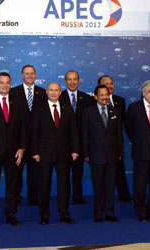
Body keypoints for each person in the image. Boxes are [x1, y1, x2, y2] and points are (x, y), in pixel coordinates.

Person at [0, 72, 27, 227]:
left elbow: (23, 128)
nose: (5, 85)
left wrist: (22, 148)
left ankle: (11, 214)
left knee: (12, 185)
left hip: (14, 152)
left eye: (8, 82)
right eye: (2, 82)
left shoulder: (18, 103)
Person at [31, 82, 79, 225]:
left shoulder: (67, 108)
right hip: (44, 154)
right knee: (44, 185)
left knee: (64, 186)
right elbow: (34, 132)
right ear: (46, 92)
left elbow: (73, 131)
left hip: (64, 154)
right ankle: (44, 216)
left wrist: (75, 149)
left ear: (60, 92)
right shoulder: (39, 108)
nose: (53, 93)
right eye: (50, 90)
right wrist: (35, 152)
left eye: (56, 90)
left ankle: (64, 214)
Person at [125, 80, 150, 222]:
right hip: (141, 153)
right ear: (143, 93)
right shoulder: (134, 108)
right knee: (139, 185)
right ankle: (141, 213)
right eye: (149, 92)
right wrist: (139, 142)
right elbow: (129, 127)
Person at [82, 85, 122, 223]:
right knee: (98, 186)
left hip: (112, 156)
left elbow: (118, 135)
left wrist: (119, 153)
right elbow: (85, 134)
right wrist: (86, 153)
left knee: (110, 186)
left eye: (106, 94)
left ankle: (110, 213)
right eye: (102, 95)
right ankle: (98, 213)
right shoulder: (88, 112)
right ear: (95, 97)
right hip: (95, 155)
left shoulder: (115, 111)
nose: (105, 97)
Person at [9, 64, 46, 206]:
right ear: (22, 75)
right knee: (16, 170)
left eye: (32, 73)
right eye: (27, 73)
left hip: (37, 141)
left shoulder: (43, 93)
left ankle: (34, 196)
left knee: (35, 171)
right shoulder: (13, 92)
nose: (30, 76)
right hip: (17, 141)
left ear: (35, 75)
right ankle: (15, 196)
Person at [59, 70, 93, 204]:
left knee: (78, 172)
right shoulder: (59, 97)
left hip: (80, 142)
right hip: (63, 143)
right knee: (64, 173)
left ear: (78, 81)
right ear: (65, 81)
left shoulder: (86, 98)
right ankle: (65, 197)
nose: (72, 82)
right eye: (69, 79)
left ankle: (78, 197)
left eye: (74, 79)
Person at [97, 75, 131, 202]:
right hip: (100, 145)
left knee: (120, 170)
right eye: (105, 84)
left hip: (116, 143)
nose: (109, 86)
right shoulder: (93, 102)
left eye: (111, 83)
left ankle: (124, 196)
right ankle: (103, 198)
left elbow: (123, 123)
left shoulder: (120, 101)